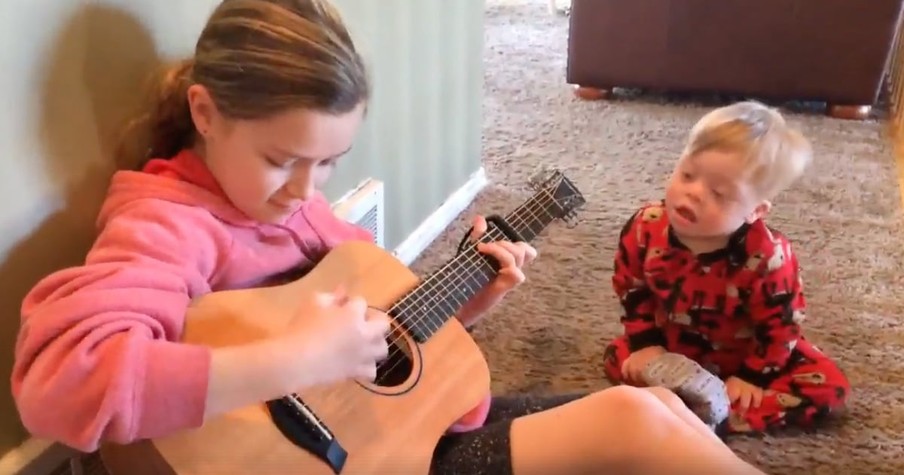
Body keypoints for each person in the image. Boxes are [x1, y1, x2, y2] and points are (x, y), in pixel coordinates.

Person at [10, 1, 767, 474]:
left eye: (330, 163)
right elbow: (60, 384)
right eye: (281, 159)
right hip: (343, 457)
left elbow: (383, 337)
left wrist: (474, 296)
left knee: (663, 411)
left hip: (389, 431)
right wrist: (294, 357)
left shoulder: (296, 211)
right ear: (205, 113)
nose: (308, 190)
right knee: (634, 422)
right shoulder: (164, 222)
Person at [603, 100, 851, 436]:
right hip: (675, 345)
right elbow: (632, 288)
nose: (693, 193)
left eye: (719, 194)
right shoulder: (645, 225)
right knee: (619, 356)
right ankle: (688, 405)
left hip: (747, 354)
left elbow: (782, 327)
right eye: (687, 175)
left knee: (830, 389)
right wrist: (646, 344)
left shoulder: (769, 257)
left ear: (755, 211)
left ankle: (705, 414)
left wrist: (753, 377)